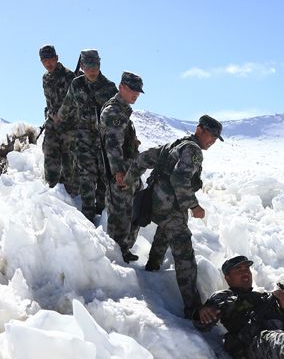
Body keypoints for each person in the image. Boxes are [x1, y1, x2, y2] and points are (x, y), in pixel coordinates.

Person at [125, 115, 224, 317]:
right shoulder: (193, 150)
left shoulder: (175, 144)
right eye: (211, 136)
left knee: (163, 232)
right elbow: (179, 179)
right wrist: (194, 206)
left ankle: (152, 270)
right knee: (184, 254)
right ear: (200, 130)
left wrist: (127, 180)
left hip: (157, 204)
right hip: (171, 207)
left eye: (216, 138)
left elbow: (144, 158)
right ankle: (194, 308)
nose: (212, 141)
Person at [57, 49, 117, 222]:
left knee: (103, 174)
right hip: (83, 139)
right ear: (82, 66)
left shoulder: (109, 87)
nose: (92, 69)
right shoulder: (76, 85)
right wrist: (58, 119)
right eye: (89, 65)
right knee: (86, 175)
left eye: (96, 65)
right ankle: (88, 213)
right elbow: (66, 107)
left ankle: (101, 212)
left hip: (103, 140)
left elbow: (118, 114)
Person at [99, 72, 144, 263]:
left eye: (137, 91)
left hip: (128, 169)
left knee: (131, 211)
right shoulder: (115, 112)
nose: (135, 94)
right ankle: (117, 257)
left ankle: (123, 250)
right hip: (120, 172)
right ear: (121, 87)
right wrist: (118, 171)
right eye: (132, 90)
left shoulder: (122, 110)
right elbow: (112, 144)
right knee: (120, 214)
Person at [39, 45, 77, 195]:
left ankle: (72, 195)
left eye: (50, 60)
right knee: (49, 154)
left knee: (69, 162)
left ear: (56, 58)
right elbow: (49, 103)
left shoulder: (69, 76)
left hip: (69, 126)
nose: (48, 63)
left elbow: (77, 103)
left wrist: (64, 116)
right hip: (52, 125)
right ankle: (52, 190)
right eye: (44, 61)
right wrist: (51, 114)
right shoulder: (45, 79)